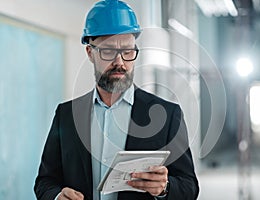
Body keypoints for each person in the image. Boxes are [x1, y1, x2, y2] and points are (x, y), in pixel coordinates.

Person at [34, 0, 199, 199]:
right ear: (90, 53)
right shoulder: (66, 115)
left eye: (128, 51)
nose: (119, 62)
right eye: (109, 51)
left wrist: (165, 187)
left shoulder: (167, 114)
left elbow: (189, 187)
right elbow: (45, 181)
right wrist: (57, 196)